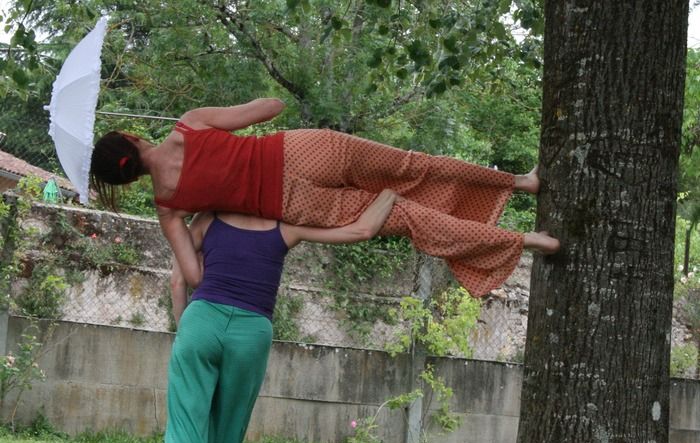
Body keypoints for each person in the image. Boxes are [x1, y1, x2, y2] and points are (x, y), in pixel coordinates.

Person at [90, 98, 559, 298]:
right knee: (412, 166)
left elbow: (193, 276)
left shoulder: (168, 208)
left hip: (291, 206)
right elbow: (271, 108)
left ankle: (529, 241)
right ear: (131, 137)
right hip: (304, 150)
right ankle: (520, 183)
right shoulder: (189, 122)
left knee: (408, 217)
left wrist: (212, 206)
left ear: (126, 179)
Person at [156, 189, 399, 443]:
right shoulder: (285, 227)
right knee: (226, 434)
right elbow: (360, 231)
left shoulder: (206, 218)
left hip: (201, 320)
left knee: (185, 431)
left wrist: (184, 329)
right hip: (251, 332)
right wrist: (393, 190)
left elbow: (178, 282)